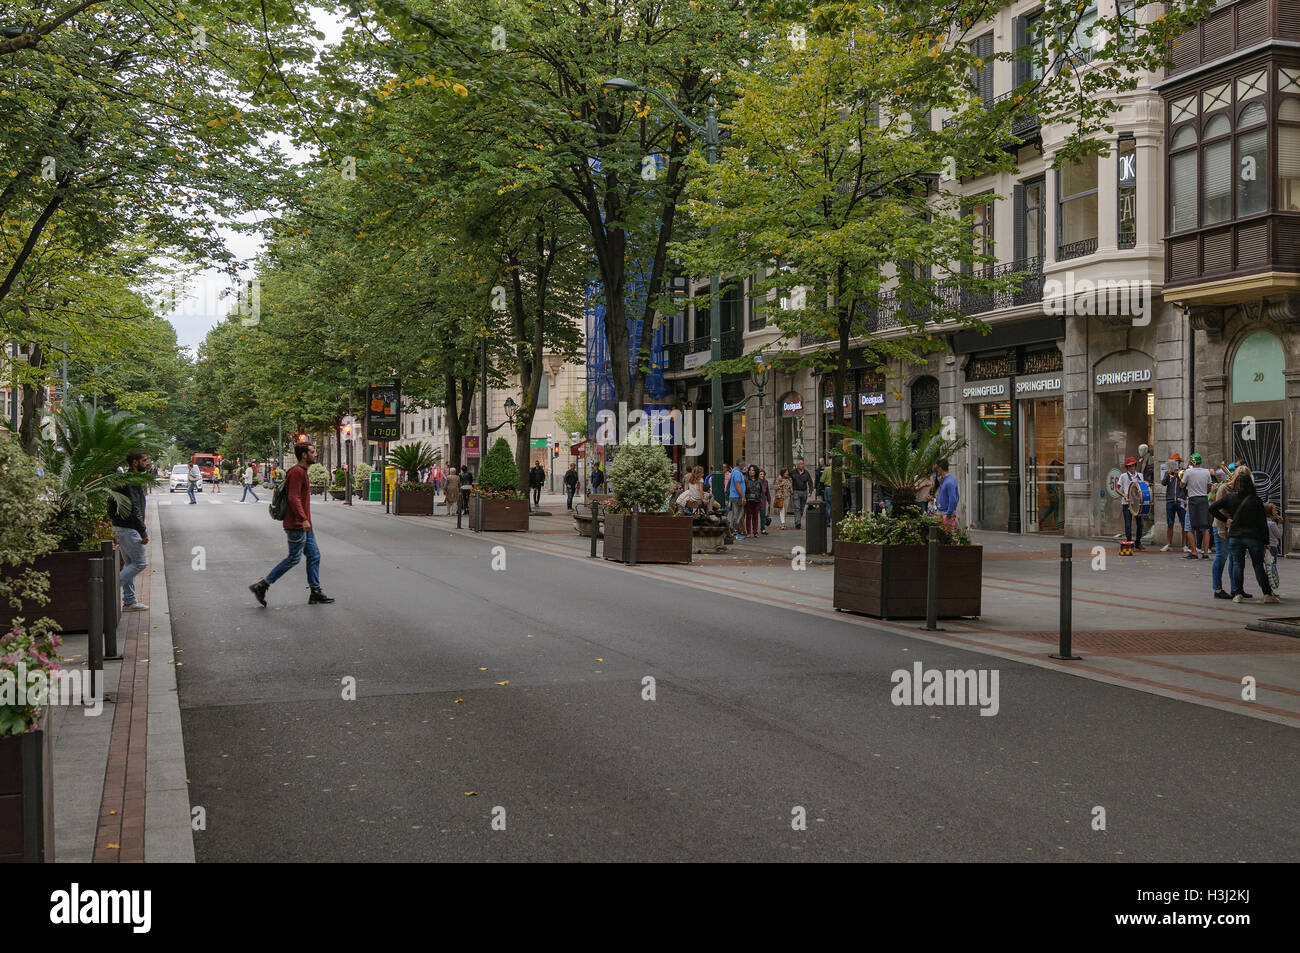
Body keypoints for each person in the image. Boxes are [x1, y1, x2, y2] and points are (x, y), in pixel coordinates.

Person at [249, 442, 334, 606]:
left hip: (303, 524)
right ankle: (263, 585)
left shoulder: (302, 471)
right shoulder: (297, 472)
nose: (315, 454)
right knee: (293, 559)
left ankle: (315, 591)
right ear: (304, 455)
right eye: (312, 452)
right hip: (297, 525)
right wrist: (303, 518)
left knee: (314, 555)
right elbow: (293, 498)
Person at [1209, 470, 1279, 603]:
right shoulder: (1256, 500)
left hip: (1235, 536)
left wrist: (1225, 519)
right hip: (1253, 536)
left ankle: (1238, 593)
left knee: (1237, 564)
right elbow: (1262, 522)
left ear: (1236, 485)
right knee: (1258, 565)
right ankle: (1267, 594)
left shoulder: (1230, 497)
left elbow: (1212, 508)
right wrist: (1265, 541)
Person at [109, 449, 151, 612]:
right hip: (129, 528)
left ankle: (129, 601)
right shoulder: (131, 481)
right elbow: (134, 507)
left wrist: (114, 527)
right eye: (145, 460)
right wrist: (143, 531)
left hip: (121, 527)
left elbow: (111, 504)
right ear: (135, 462)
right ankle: (110, 588)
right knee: (140, 563)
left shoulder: (124, 479)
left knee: (129, 564)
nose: (147, 463)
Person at [1180, 452, 1213, 558]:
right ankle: (1206, 552)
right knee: (1206, 527)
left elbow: (1181, 485)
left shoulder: (1188, 472)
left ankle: (1194, 552)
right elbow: (1209, 487)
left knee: (1189, 527)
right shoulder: (1207, 472)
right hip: (1204, 499)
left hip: (1193, 500)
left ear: (1192, 461)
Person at [1116, 455, 1148, 549]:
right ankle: (1129, 542)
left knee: (1140, 523)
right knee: (1128, 523)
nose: (1132, 467)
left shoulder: (1140, 475)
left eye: (1133, 465)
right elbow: (1117, 488)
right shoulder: (1123, 476)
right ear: (1127, 467)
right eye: (1129, 466)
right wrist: (1124, 495)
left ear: (1135, 465)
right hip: (1127, 503)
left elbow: (1142, 488)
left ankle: (1138, 542)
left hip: (1138, 503)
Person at [1160, 453, 1187, 552]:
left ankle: (1184, 545)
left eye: (1175, 462)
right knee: (1170, 523)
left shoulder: (1183, 472)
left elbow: (1184, 485)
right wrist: (1169, 474)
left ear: (1179, 462)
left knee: (1184, 523)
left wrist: (1178, 475)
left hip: (1181, 500)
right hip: (1170, 501)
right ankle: (1168, 544)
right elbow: (1163, 483)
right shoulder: (1168, 472)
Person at [934, 458, 959, 529]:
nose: (936, 471)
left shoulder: (949, 482)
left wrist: (947, 515)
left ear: (940, 468)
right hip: (942, 513)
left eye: (937, 468)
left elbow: (954, 500)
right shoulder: (946, 480)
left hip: (946, 515)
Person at [1266, 501, 1283, 594]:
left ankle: (1268, 589)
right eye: (1275, 510)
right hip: (1272, 547)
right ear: (1270, 512)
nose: (1276, 512)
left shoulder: (1263, 522)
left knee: (1267, 568)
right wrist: (1280, 524)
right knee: (1272, 568)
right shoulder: (1272, 524)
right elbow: (1279, 535)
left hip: (1265, 548)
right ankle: (1271, 589)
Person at [790, 458, 813, 530]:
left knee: (801, 508)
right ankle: (798, 523)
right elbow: (786, 476)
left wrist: (810, 492)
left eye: (802, 464)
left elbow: (810, 482)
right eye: (800, 464)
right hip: (796, 491)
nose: (801, 465)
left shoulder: (806, 473)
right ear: (797, 465)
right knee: (797, 508)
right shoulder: (793, 472)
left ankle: (798, 518)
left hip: (804, 492)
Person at [728, 459, 747, 539]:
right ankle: (735, 532)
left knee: (734, 515)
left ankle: (732, 531)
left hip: (734, 496)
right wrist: (743, 496)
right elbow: (738, 486)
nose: (745, 466)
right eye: (744, 465)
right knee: (737, 515)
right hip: (737, 496)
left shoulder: (734, 472)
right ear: (741, 465)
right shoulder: (737, 473)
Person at [743, 464, 761, 538]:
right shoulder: (745, 480)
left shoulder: (759, 481)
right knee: (748, 516)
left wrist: (761, 500)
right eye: (750, 470)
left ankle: (755, 532)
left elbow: (761, 491)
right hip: (748, 500)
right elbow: (744, 490)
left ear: (755, 471)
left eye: (753, 470)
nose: (751, 471)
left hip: (757, 500)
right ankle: (748, 532)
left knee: (755, 516)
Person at [757, 468, 772, 535]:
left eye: (763, 474)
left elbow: (767, 491)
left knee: (763, 515)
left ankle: (763, 529)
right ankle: (755, 529)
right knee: (755, 516)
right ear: (758, 475)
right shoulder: (756, 481)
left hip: (763, 501)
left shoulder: (766, 482)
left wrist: (769, 500)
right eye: (761, 474)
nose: (762, 475)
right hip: (756, 501)